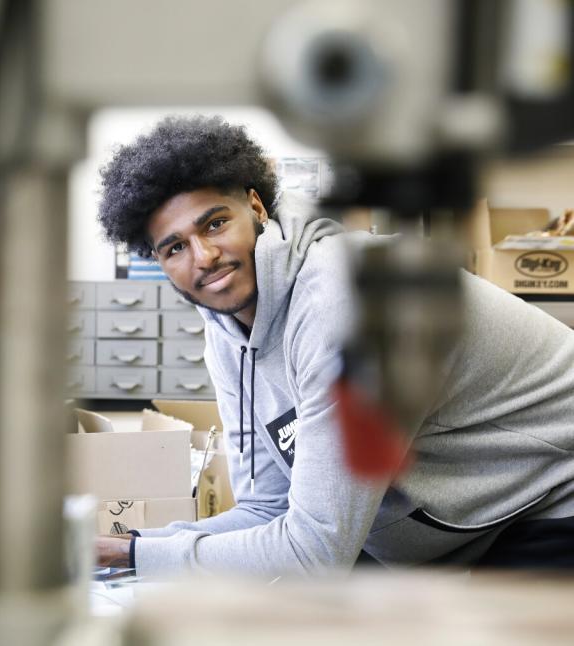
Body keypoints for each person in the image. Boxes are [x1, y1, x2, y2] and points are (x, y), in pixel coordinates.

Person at [93, 114, 574, 577]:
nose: (205, 257)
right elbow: (268, 507)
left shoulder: (346, 304)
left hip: (554, 494)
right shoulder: (228, 333)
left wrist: (138, 559)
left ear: (256, 207)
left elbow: (315, 551)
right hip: (470, 519)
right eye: (174, 248)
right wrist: (134, 547)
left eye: (215, 224)